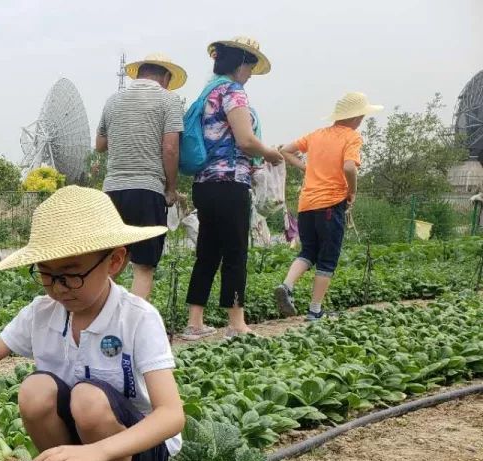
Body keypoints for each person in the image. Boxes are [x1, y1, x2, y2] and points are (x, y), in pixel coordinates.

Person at [0, 187, 186, 461]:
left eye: (72, 274)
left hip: (139, 451)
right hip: (79, 451)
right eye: (47, 275)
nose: (59, 288)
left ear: (115, 261)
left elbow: (171, 415)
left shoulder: (137, 318)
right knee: (34, 390)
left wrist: (100, 451)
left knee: (89, 398)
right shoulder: (41, 313)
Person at [182, 37, 283, 340]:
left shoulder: (207, 92)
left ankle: (194, 322)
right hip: (230, 182)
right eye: (250, 67)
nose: (251, 73)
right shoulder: (233, 92)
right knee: (236, 252)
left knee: (208, 253)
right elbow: (245, 140)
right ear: (241, 64)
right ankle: (236, 323)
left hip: (204, 184)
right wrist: (270, 154)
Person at [274, 92, 383, 321]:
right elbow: (350, 168)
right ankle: (315, 311)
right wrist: (352, 191)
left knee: (308, 251)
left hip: (307, 204)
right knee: (327, 258)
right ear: (357, 117)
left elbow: (284, 150)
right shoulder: (351, 137)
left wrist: (306, 168)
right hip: (331, 204)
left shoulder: (317, 135)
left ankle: (287, 285)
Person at [95, 53, 186, 300]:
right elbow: (170, 148)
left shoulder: (113, 101)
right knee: (144, 266)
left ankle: (87, 321)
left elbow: (100, 144)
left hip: (112, 190)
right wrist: (171, 188)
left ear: (139, 74)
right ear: (166, 76)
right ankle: (134, 331)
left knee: (110, 262)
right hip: (147, 190)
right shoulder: (169, 100)